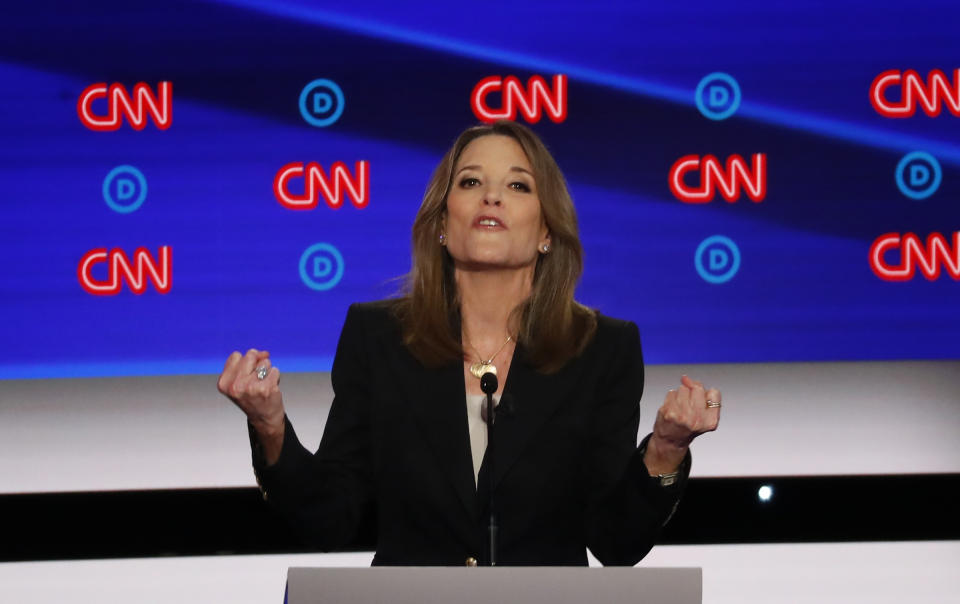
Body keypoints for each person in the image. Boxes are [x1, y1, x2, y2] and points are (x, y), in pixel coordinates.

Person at [217, 120, 721, 566]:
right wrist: (270, 427)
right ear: (441, 223)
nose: (491, 197)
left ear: (547, 230)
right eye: (471, 181)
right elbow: (330, 519)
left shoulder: (602, 349)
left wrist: (665, 451)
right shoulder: (380, 338)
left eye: (518, 185)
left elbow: (617, 544)